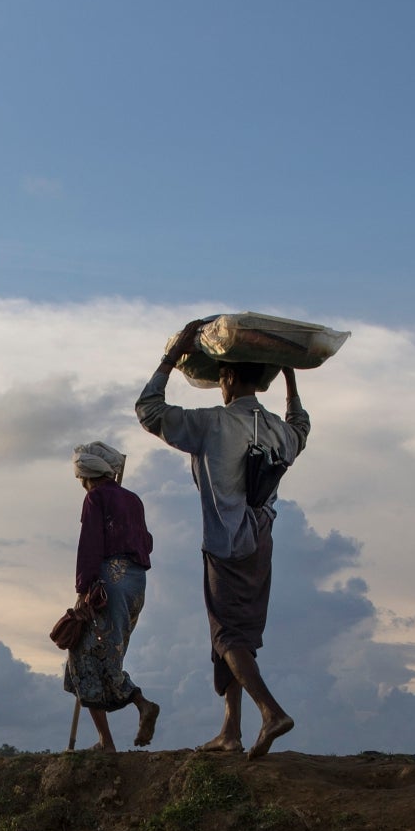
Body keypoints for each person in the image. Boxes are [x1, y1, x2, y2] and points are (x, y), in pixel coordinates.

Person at [136, 321, 307, 757]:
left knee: (228, 636)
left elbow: (150, 411)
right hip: (261, 542)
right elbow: (300, 426)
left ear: (227, 376)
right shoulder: (278, 431)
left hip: (226, 544)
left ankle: (271, 713)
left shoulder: (214, 423)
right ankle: (230, 731)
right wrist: (289, 378)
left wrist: (170, 358)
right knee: (236, 635)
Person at [64, 441, 161, 751]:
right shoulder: (132, 500)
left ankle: (134, 710)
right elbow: (146, 542)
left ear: (86, 475)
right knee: (104, 653)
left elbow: (90, 543)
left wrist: (84, 587)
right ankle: (108, 735)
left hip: (109, 582)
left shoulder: (95, 499)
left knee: (85, 654)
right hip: (135, 585)